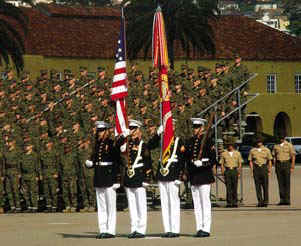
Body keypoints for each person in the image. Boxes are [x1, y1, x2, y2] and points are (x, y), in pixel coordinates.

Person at [148, 119, 185, 238]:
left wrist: (180, 175)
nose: (169, 128)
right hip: (162, 172)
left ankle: (175, 229)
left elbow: (182, 159)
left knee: (174, 202)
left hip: (173, 173)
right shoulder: (162, 139)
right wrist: (157, 134)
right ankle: (167, 229)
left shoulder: (178, 140)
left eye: (170, 126)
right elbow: (149, 146)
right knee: (164, 202)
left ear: (174, 127)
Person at [85, 121, 121, 239]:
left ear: (106, 131)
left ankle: (111, 230)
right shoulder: (97, 144)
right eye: (98, 131)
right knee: (101, 206)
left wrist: (117, 179)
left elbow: (117, 161)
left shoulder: (111, 144)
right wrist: (90, 164)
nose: (99, 133)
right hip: (99, 175)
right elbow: (95, 159)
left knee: (110, 205)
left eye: (101, 131)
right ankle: (103, 229)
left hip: (109, 176)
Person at [120, 119, 152, 239]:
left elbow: (148, 161)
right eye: (131, 129)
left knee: (141, 205)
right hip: (129, 176)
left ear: (138, 130)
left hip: (139, 175)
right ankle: (134, 228)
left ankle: (141, 229)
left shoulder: (143, 144)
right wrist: (123, 137)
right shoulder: (127, 144)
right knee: (132, 205)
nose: (132, 132)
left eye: (134, 129)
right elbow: (118, 147)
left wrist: (147, 178)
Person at [185, 118, 216, 238]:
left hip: (204, 175)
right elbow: (187, 158)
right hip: (194, 175)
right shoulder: (190, 141)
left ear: (202, 128)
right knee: (197, 203)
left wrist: (202, 163)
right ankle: (199, 227)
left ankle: (206, 228)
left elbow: (213, 159)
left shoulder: (208, 141)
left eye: (197, 127)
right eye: (194, 127)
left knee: (205, 202)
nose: (195, 129)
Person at [248, 137, 272, 207]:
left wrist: (269, 170)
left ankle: (265, 201)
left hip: (264, 167)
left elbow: (270, 160)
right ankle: (260, 201)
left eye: (260, 142)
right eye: (258, 142)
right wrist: (252, 171)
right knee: (257, 186)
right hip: (256, 168)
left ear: (262, 142)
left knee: (265, 186)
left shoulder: (267, 150)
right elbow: (250, 161)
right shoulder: (252, 150)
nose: (259, 143)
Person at [272, 135, 296, 206]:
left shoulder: (289, 145)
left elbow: (293, 156)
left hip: (286, 164)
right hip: (279, 164)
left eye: (282, 138)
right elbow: (274, 156)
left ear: (284, 138)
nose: (281, 139)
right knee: (280, 182)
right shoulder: (276, 146)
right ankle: (282, 199)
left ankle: (287, 200)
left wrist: (292, 165)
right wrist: (275, 165)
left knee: (287, 182)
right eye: (280, 138)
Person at [219, 138, 242, 208]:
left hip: (234, 170)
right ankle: (229, 202)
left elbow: (240, 163)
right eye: (228, 145)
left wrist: (239, 171)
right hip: (227, 170)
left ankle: (235, 202)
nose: (230, 146)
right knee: (228, 187)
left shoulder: (237, 153)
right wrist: (222, 172)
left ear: (233, 146)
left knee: (234, 187)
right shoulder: (224, 153)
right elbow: (222, 164)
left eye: (231, 145)